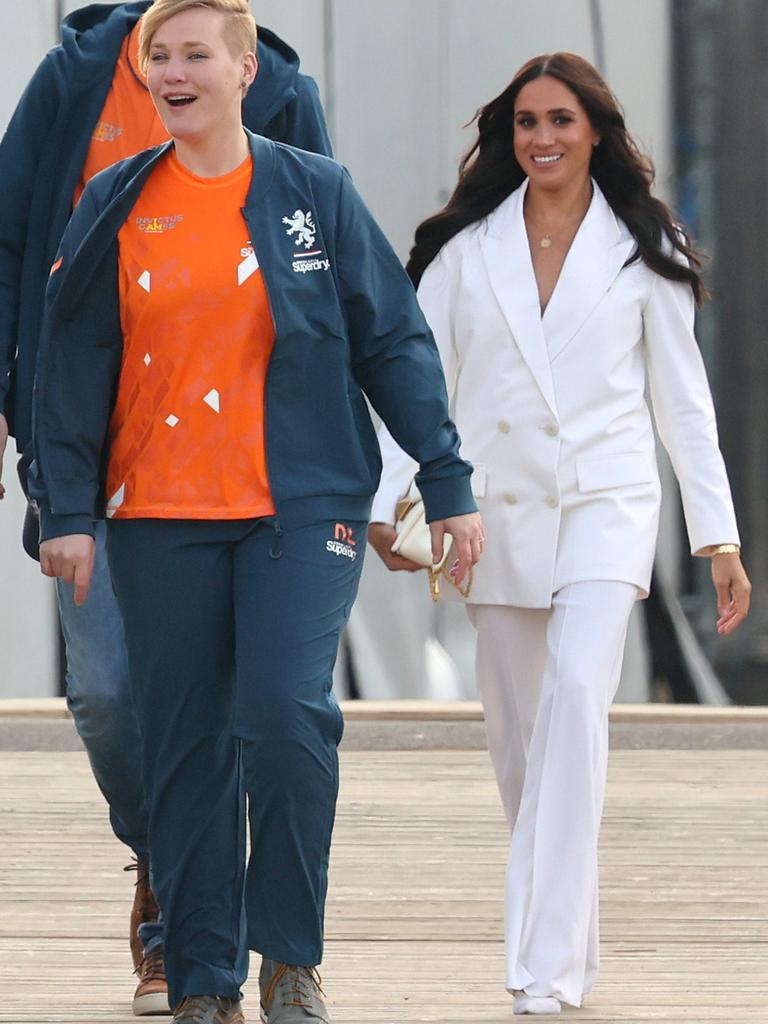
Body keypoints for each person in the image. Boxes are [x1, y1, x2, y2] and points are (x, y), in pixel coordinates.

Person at [30, 1, 483, 1021]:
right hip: (157, 513)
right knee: (184, 742)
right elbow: (72, 367)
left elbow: (394, 340)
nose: (174, 72)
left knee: (284, 718)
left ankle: (289, 954)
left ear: (245, 71)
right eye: (160, 58)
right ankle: (200, 979)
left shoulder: (310, 191)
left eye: (197, 54)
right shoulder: (113, 201)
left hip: (301, 503)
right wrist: (65, 507)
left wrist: (445, 479)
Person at [368, 52, 751, 1015]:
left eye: (561, 121)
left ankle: (543, 970)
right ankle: (563, 943)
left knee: (580, 698)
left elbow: (684, 402)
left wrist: (719, 536)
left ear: (595, 135)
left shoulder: (642, 246)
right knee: (523, 748)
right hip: (492, 518)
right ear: (509, 137)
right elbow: (416, 382)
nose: (541, 138)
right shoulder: (464, 252)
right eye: (526, 123)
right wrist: (387, 499)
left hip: (606, 509)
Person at [0, 0, 332, 1013]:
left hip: (251, 464)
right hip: (94, 446)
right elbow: (9, 237)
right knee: (107, 692)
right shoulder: (73, 79)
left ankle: (194, 927)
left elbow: (323, 270)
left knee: (254, 707)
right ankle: (164, 854)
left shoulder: (282, 92)